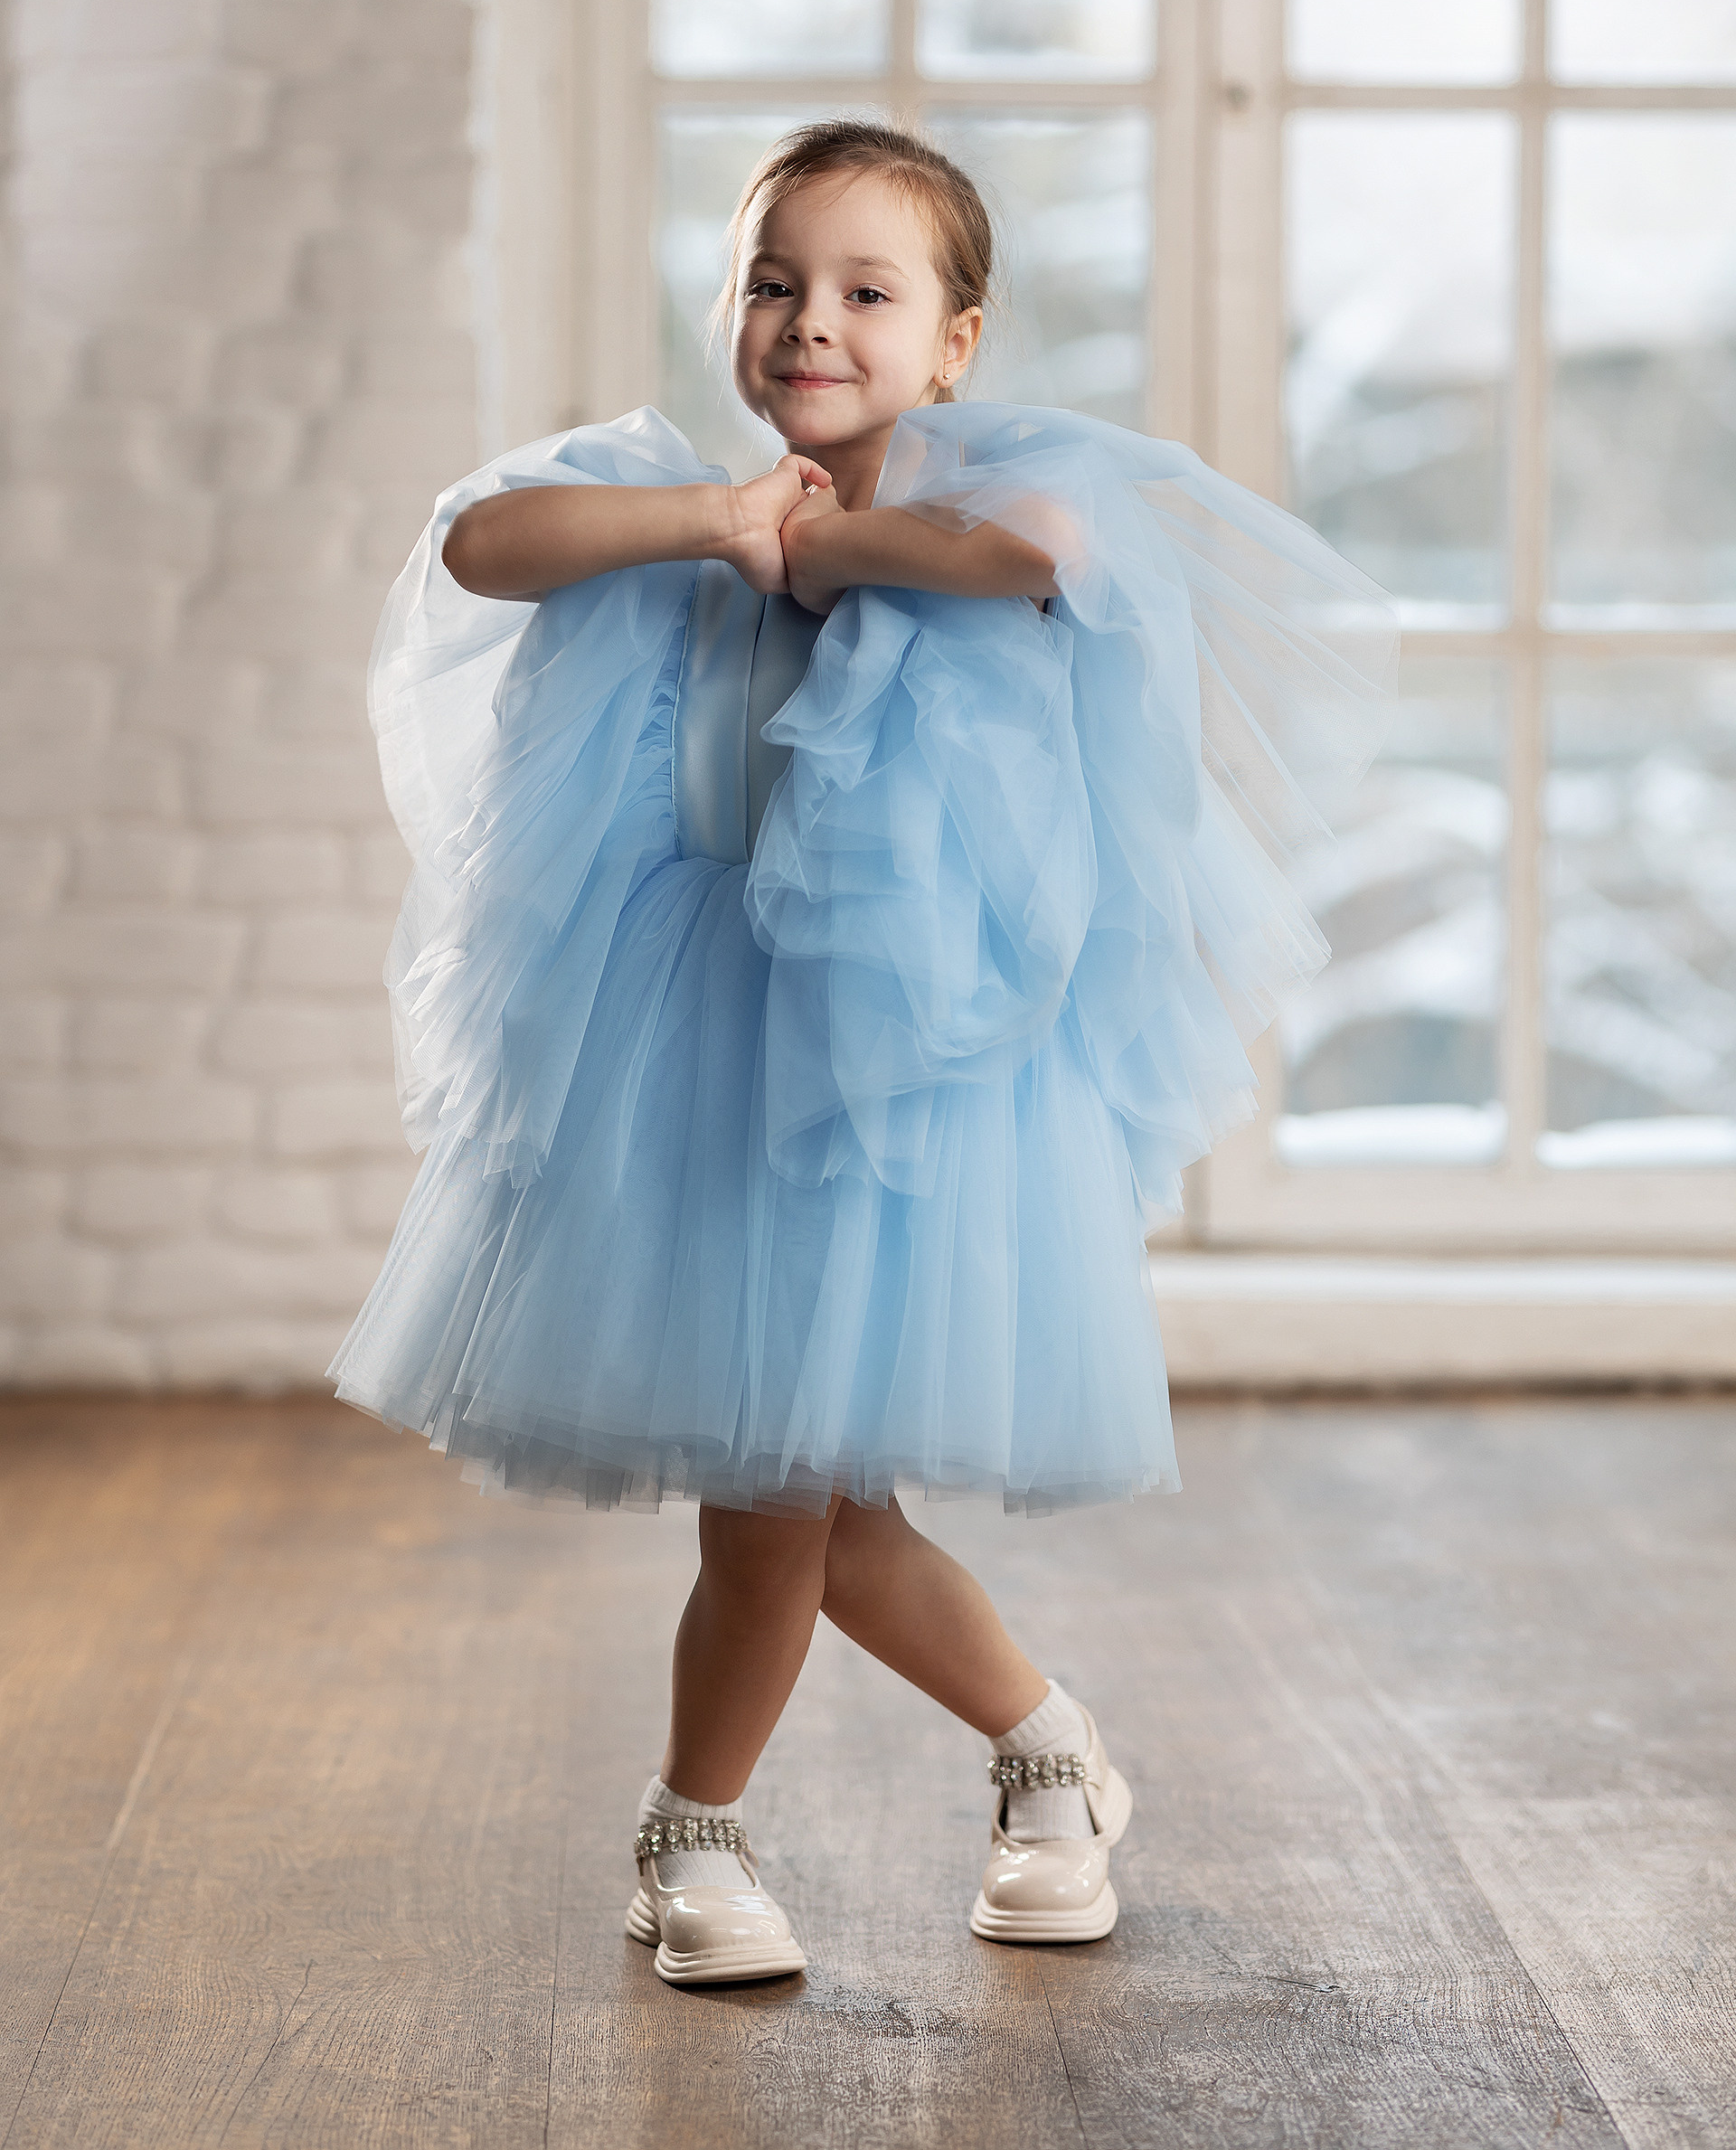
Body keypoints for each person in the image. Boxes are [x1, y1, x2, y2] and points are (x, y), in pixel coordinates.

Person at [331, 120, 1396, 1987]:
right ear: (728, 310)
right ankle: (1040, 1755)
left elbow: (1037, 558)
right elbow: (484, 545)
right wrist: (716, 523)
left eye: (868, 290)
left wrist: (819, 549)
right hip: (700, 1067)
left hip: (897, 1087)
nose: (811, 319)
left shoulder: (997, 498)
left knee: (789, 1508)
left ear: (955, 342)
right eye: (774, 282)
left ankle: (711, 1825)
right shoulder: (663, 498)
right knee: (813, 1506)